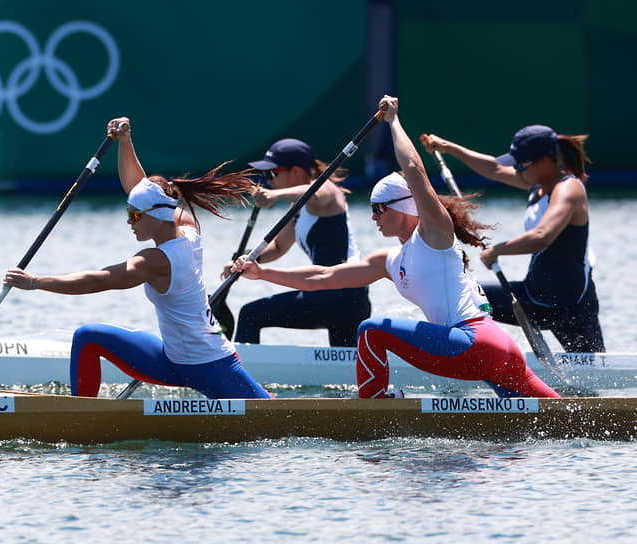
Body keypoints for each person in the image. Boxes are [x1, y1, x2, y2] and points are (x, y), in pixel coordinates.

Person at [232, 95, 559, 399]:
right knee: (558, 418)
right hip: (496, 349)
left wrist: (394, 122)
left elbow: (415, 172)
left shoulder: (433, 234)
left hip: (472, 341)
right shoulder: (388, 260)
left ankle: (374, 406)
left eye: (379, 208)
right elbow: (323, 277)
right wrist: (261, 273)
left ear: (403, 207)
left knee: (372, 330)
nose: (374, 217)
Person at [3, 117, 271, 400]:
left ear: (155, 216)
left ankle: (78, 420)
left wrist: (36, 282)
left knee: (270, 412)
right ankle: (82, 417)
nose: (129, 221)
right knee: (87, 337)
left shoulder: (155, 261)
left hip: (210, 365)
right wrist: (125, 140)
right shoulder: (187, 227)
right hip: (172, 360)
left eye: (133, 215)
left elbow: (100, 279)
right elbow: (139, 188)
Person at [421, 125, 605, 353]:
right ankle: (461, 354)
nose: (516, 170)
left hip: (570, 304)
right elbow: (494, 168)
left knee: (594, 382)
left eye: (520, 165)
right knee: (462, 295)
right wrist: (447, 148)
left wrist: (497, 251)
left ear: (545, 161)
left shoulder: (570, 189)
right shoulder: (537, 184)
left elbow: (542, 236)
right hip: (534, 295)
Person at [223, 137, 371, 347]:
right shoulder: (298, 207)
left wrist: (273, 195)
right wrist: (244, 261)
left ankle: (240, 377)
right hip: (338, 297)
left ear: (296, 171)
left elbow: (316, 192)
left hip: (341, 293)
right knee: (346, 372)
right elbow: (278, 247)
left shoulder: (327, 191)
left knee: (250, 314)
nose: (269, 180)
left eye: (272, 173)